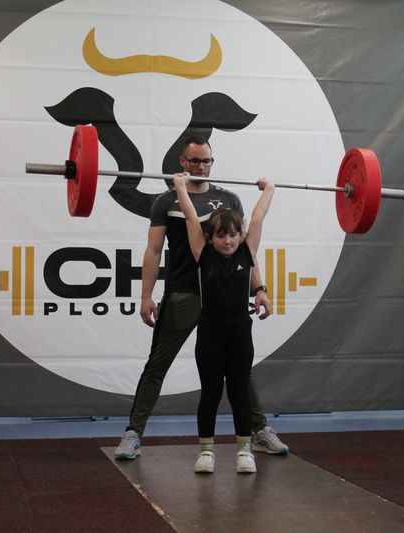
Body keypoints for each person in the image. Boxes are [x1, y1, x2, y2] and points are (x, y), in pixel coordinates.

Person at [115, 137, 288, 460]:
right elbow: (153, 250)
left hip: (225, 299)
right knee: (157, 364)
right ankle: (133, 433)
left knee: (241, 367)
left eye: (206, 161)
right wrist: (146, 295)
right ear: (183, 162)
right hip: (183, 293)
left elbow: (247, 251)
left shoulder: (229, 199)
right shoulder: (166, 201)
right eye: (195, 161)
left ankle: (260, 430)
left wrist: (259, 289)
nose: (201, 167)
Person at [173, 174, 274, 474]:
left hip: (240, 333)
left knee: (239, 392)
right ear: (210, 237)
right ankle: (206, 452)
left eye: (232, 235)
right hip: (210, 334)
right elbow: (191, 218)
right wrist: (180, 187)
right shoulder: (202, 254)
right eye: (220, 236)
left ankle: (244, 451)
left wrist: (269, 189)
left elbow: (257, 217)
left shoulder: (247, 252)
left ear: (241, 235)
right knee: (211, 392)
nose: (227, 241)